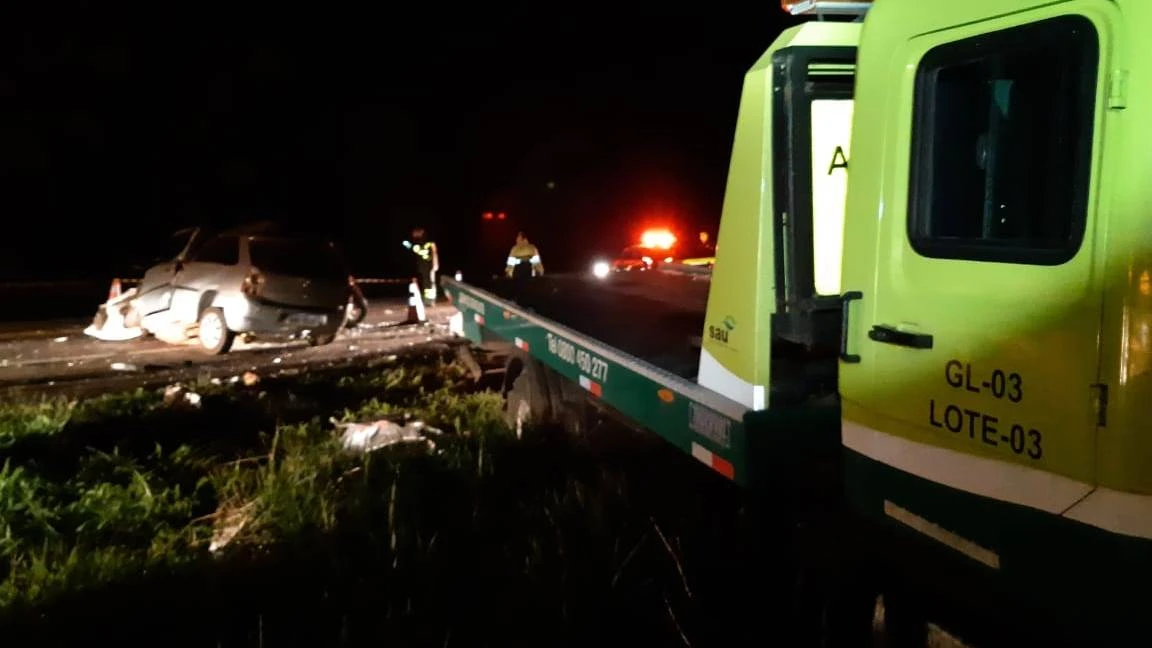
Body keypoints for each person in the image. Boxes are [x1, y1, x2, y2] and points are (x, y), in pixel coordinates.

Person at [402, 226, 439, 304]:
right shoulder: (418, 242)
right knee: (426, 282)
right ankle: (429, 298)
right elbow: (414, 248)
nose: (414, 235)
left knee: (428, 282)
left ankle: (430, 299)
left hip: (428, 266)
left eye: (415, 233)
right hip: (423, 266)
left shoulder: (428, 242)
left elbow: (433, 253)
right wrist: (407, 244)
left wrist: (435, 263)